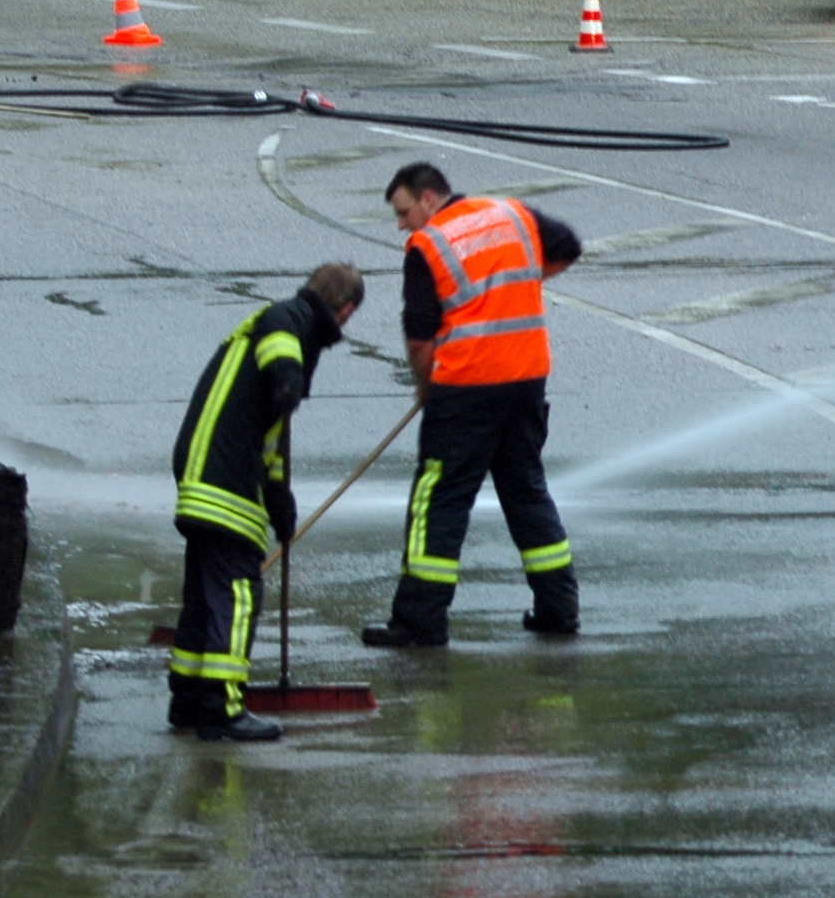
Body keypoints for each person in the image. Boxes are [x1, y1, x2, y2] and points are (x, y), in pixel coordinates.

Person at [363, 164, 584, 647]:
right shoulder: (510, 213)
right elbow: (569, 246)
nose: (402, 224)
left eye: (403, 212)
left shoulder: (429, 245)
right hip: (526, 378)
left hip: (465, 387)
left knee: (439, 501)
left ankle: (420, 621)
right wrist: (520, 285)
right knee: (526, 490)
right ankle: (558, 609)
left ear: (427, 199)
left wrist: (426, 387)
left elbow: (420, 339)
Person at [168, 263, 364, 741]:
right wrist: (289, 375)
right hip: (221, 476)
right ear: (344, 310)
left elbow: (271, 436)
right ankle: (222, 706)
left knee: (205, 594)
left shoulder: (284, 328)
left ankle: (189, 698)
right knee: (238, 591)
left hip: (207, 468)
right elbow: (278, 344)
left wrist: (278, 497)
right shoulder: (286, 320)